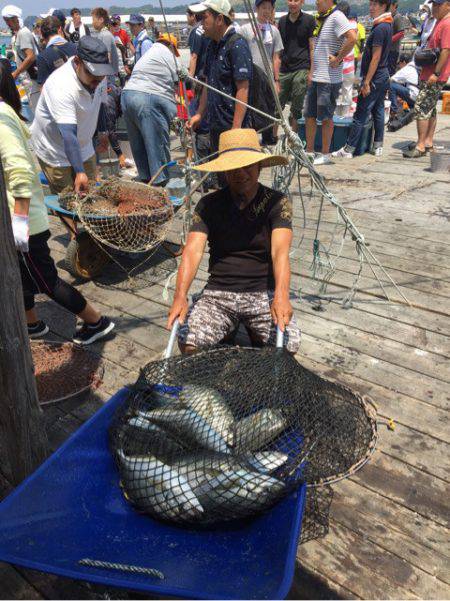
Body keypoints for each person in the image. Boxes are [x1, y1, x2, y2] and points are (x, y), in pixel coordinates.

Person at [0, 59, 115, 345]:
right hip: (18, 217)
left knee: (45, 280)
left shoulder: (1, 118)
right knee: (20, 274)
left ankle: (96, 321)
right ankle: (32, 324)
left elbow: (22, 174)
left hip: (23, 221)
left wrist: (19, 227)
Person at [167, 128, 301, 354]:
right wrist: (180, 296)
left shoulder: (277, 202)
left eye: (248, 165)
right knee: (188, 343)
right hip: (219, 291)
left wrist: (281, 295)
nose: (240, 173)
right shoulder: (208, 204)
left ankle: (246, 329)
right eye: (233, 167)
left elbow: (280, 253)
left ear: (259, 166)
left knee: (288, 347)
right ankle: (228, 327)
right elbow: (193, 251)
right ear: (224, 171)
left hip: (261, 291)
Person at [30, 36, 111, 202]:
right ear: (77, 61)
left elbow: (100, 104)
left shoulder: (99, 76)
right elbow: (68, 134)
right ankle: (72, 228)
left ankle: (87, 226)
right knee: (68, 200)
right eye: (91, 74)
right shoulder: (61, 85)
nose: (97, 80)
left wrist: (103, 132)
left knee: (90, 197)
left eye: (100, 75)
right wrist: (79, 172)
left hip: (84, 144)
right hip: (54, 149)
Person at [189, 0, 253, 181]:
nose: (201, 21)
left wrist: (235, 129)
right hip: (216, 124)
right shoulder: (211, 46)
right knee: (223, 180)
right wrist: (199, 114)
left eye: (204, 17)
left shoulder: (237, 45)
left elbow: (243, 89)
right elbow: (208, 84)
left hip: (233, 125)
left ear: (219, 19)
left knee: (239, 179)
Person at [332, 0, 393, 159]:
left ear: (384, 6)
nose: (371, 8)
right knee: (378, 110)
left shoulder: (380, 28)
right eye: (371, 4)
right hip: (383, 75)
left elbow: (376, 57)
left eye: (375, 5)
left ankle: (349, 149)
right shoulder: (387, 25)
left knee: (360, 113)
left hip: (374, 77)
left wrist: (366, 82)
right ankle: (378, 145)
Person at [121, 33, 179, 185]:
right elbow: (182, 76)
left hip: (128, 95)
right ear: (171, 46)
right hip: (146, 99)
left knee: (138, 142)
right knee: (156, 142)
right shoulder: (166, 52)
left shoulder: (150, 52)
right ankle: (160, 182)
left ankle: (146, 177)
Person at [304, 0, 356, 165]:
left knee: (326, 117)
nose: (316, 2)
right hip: (317, 76)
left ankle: (325, 153)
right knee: (309, 115)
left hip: (329, 78)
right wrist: (311, 72)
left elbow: (352, 38)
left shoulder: (337, 16)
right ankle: (310, 151)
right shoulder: (322, 18)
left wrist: (338, 58)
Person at [403, 0, 450, 158]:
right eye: (434, 5)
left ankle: (421, 145)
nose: (434, 8)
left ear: (448, 5)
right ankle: (428, 142)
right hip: (430, 73)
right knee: (430, 109)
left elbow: (445, 50)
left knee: (421, 107)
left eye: (438, 5)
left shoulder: (446, 23)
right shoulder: (439, 21)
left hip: (434, 75)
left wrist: (436, 73)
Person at [240, 0, 284, 145]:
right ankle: (250, 140)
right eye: (263, 7)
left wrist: (276, 80)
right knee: (249, 108)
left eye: (269, 8)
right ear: (256, 8)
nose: (266, 11)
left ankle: (268, 139)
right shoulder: (245, 29)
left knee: (268, 108)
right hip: (250, 76)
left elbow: (276, 57)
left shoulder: (274, 31)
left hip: (267, 77)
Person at [277, 0, 315, 133]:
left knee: (297, 106)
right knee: (277, 104)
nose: (293, 3)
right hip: (284, 68)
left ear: (302, 2)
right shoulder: (281, 21)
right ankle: (272, 138)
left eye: (296, 0)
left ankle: (294, 138)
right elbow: (278, 49)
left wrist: (311, 71)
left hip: (302, 66)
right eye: (290, 0)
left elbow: (312, 47)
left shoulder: (309, 20)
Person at [1, 4, 40, 111]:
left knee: (37, 110)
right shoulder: (20, 34)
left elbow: (30, 57)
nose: (7, 24)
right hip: (28, 80)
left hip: (32, 81)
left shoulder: (23, 33)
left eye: (7, 21)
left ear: (14, 19)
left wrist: (15, 73)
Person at [37, 15, 77, 86]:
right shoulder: (77, 48)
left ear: (42, 35)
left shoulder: (42, 57)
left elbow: (43, 89)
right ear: (60, 30)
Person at [335, 1, 358, 117]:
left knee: (335, 91)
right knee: (348, 90)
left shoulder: (338, 24)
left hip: (338, 64)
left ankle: (336, 115)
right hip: (350, 65)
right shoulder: (354, 24)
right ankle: (345, 115)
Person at [90, 7, 119, 83]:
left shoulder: (105, 35)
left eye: (93, 19)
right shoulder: (102, 34)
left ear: (101, 20)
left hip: (108, 77)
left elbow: (107, 58)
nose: (92, 22)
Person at [187, 9, 210, 78]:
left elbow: (194, 56)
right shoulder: (207, 28)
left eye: (187, 16)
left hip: (200, 73)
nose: (187, 18)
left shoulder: (196, 31)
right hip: (208, 71)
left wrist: (190, 76)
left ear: (193, 16)